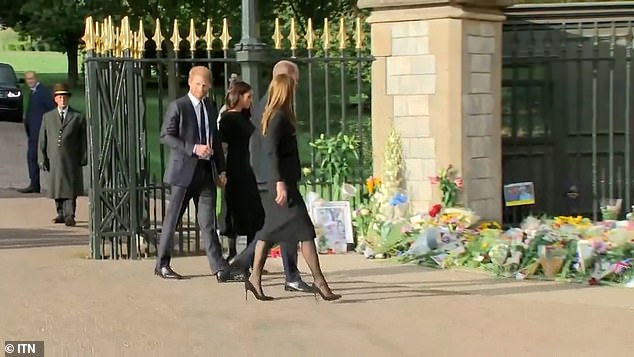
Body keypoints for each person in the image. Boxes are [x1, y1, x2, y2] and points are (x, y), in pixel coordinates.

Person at [244, 73, 341, 301]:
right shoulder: (277, 117)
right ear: (285, 91)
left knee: (269, 232)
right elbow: (270, 151)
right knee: (305, 230)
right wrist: (278, 181)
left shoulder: (273, 114)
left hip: (277, 183)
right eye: (293, 87)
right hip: (279, 185)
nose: (295, 91)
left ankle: (255, 280)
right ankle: (319, 282)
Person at [154, 66, 244, 283]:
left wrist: (221, 169)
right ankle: (162, 264)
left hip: (205, 174)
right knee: (172, 220)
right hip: (182, 174)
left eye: (205, 85)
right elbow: (165, 136)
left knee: (208, 223)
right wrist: (193, 148)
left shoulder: (210, 108)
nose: (201, 89)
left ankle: (220, 268)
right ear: (190, 83)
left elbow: (215, 137)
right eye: (198, 84)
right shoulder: (179, 106)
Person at [229, 61, 312, 293]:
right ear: (286, 81)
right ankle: (246, 268)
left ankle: (256, 271)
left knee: (282, 228)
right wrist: (276, 180)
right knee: (286, 228)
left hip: (273, 178)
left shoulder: (270, 105)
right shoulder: (273, 109)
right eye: (295, 81)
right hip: (274, 179)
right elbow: (267, 149)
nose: (297, 86)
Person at [218, 81, 264, 265]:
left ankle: (250, 256)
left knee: (253, 210)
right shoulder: (228, 118)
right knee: (234, 209)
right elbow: (223, 147)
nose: (250, 100)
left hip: (246, 167)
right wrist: (222, 171)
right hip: (235, 168)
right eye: (248, 96)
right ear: (239, 96)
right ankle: (233, 253)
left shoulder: (245, 116)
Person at [37, 83, 87, 226]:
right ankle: (60, 213)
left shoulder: (77, 117)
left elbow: (83, 139)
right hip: (54, 158)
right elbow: (42, 139)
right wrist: (41, 157)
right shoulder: (48, 117)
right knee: (57, 187)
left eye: (65, 97)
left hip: (71, 158)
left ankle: (70, 215)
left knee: (70, 187)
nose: (63, 100)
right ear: (55, 99)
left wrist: (84, 156)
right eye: (60, 97)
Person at [20, 71, 55, 194]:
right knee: (32, 157)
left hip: (41, 132)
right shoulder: (32, 93)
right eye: (27, 79)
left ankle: (55, 185)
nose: (29, 81)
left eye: (31, 78)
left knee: (45, 158)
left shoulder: (43, 92)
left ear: (36, 78)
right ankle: (34, 185)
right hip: (33, 134)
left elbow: (53, 108)